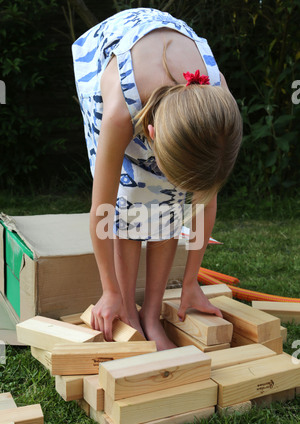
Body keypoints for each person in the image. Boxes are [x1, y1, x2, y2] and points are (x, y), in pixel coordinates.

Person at [72, 8, 243, 350]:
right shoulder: (120, 111)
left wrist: (191, 280)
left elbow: (202, 203)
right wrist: (109, 291)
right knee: (131, 199)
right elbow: (103, 210)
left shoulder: (216, 98)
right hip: (110, 54)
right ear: (150, 134)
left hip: (168, 66)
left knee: (167, 201)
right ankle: (129, 313)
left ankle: (151, 315)